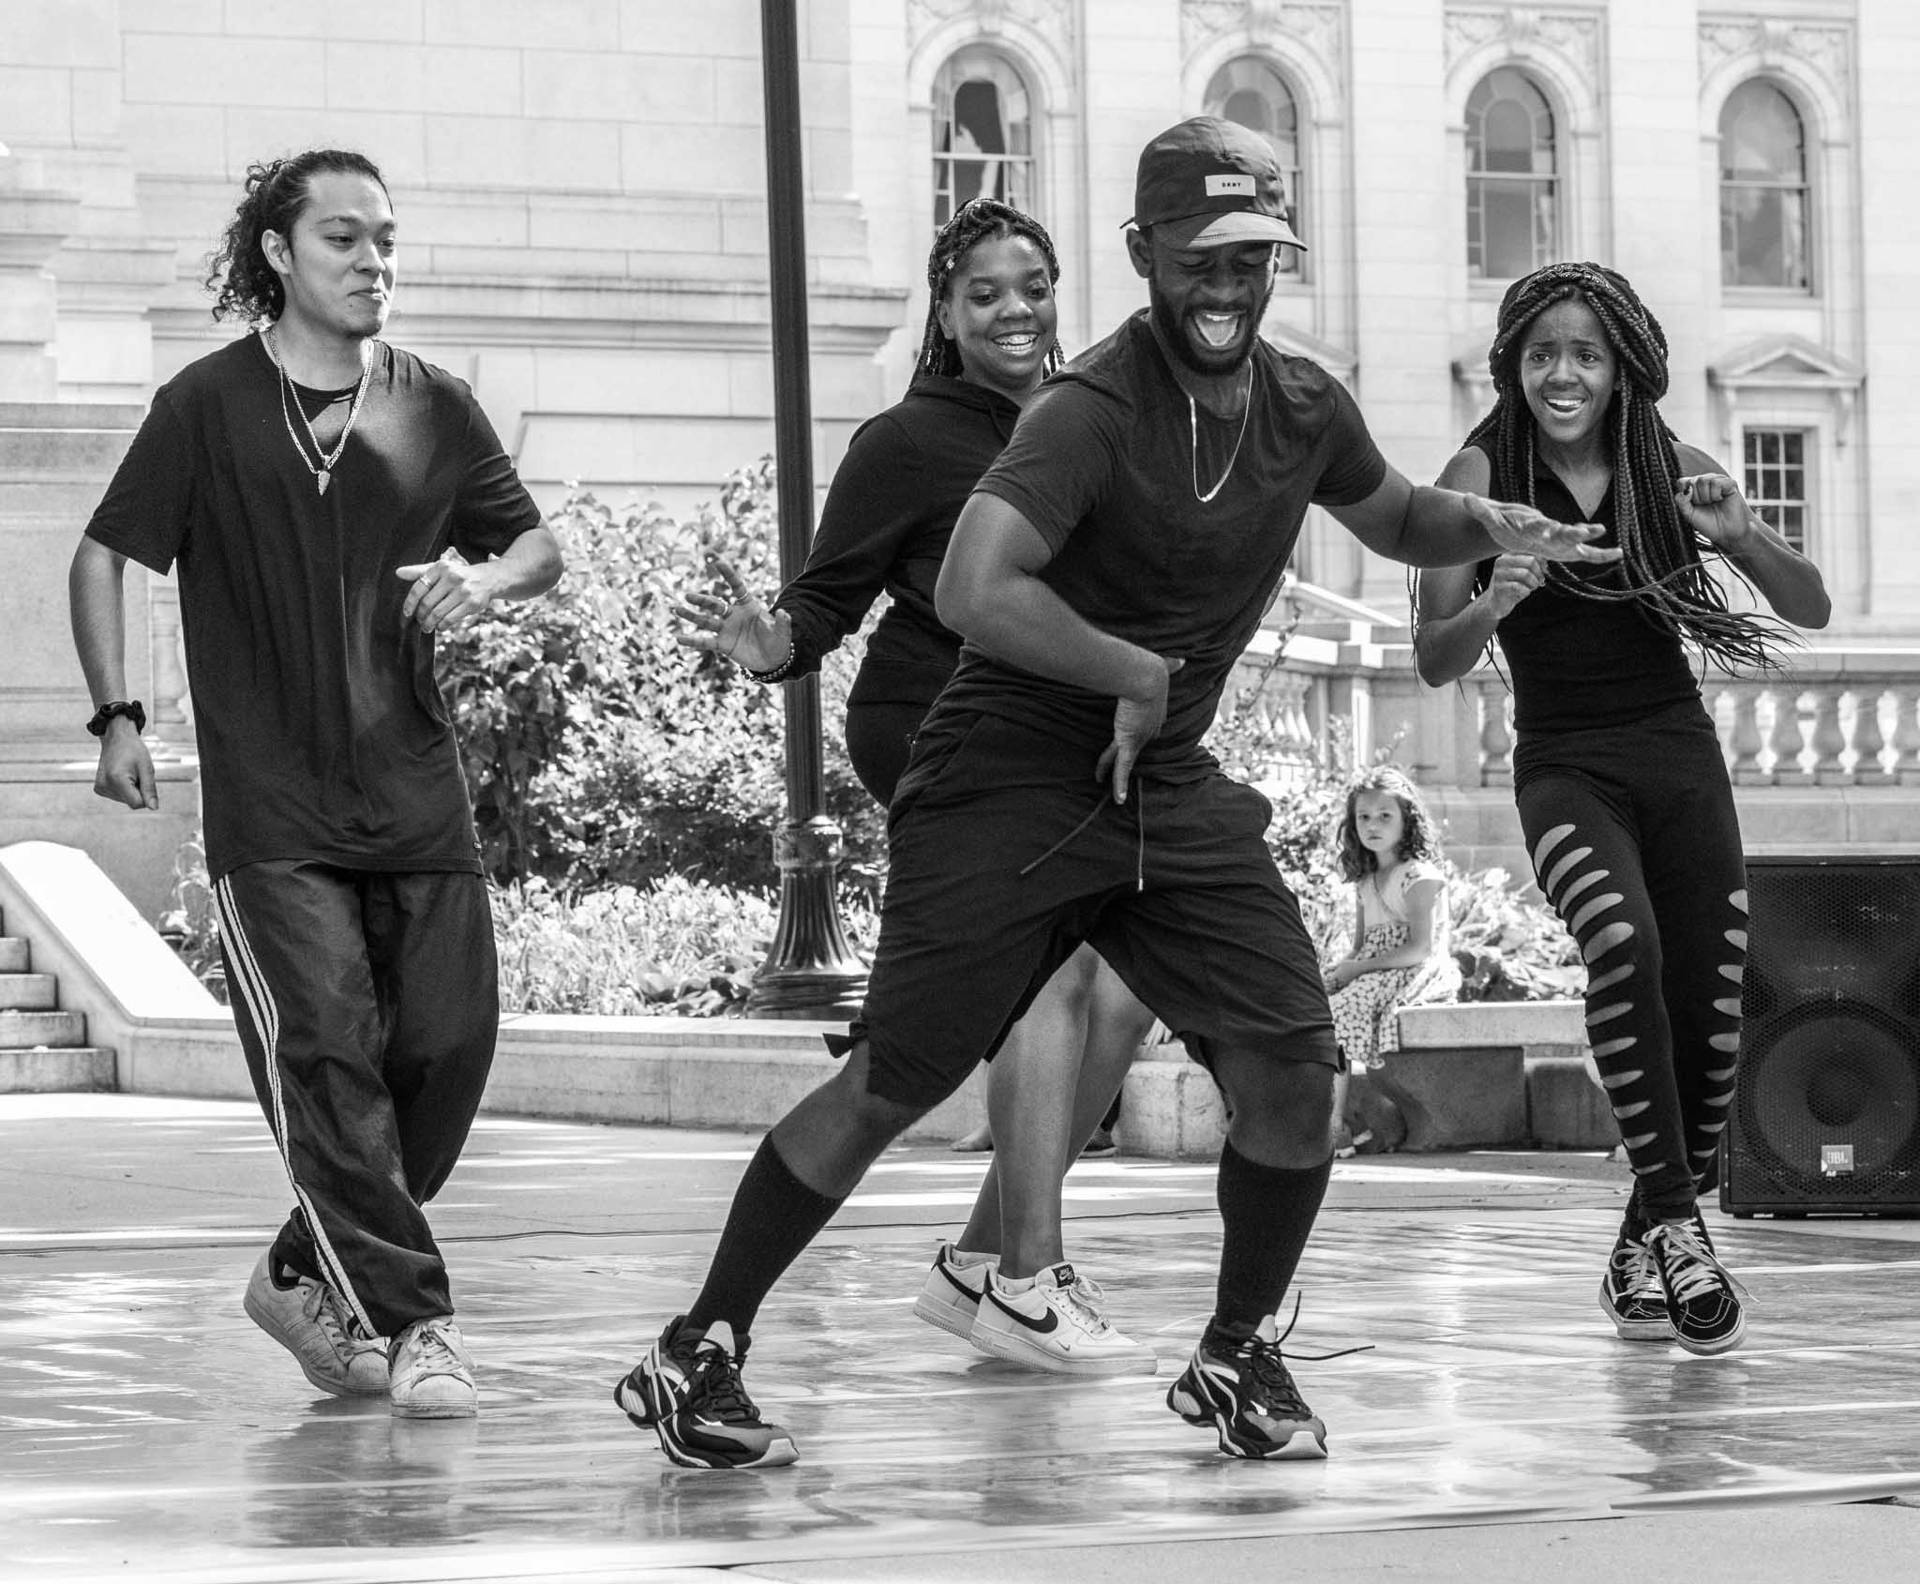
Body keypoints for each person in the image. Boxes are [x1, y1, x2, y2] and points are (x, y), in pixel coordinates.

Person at [615, 116, 1617, 1471]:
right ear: (1145, 254)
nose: (1226, 289)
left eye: (1252, 259)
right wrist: (1135, 671)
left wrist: (1489, 522)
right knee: (898, 1077)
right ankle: (699, 1347)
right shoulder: (1088, 409)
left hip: (1163, 785)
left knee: (1294, 1069)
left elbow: (1391, 514)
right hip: (1007, 774)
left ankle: (1237, 1354)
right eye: (1199, 260)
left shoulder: (1302, 404)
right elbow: (975, 586)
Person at [69, 149, 564, 1417]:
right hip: (273, 810)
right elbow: (103, 555)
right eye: (344, 239)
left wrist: (485, 580)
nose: (373, 261)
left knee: (447, 1049)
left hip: (415, 789)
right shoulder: (205, 405)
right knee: (331, 1055)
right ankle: (418, 1326)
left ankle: (302, 1269)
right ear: (280, 254)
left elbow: (535, 545)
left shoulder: (434, 404)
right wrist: (119, 718)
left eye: (386, 238)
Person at [670, 198, 1158, 1376]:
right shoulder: (906, 441)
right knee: (1046, 970)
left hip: (1065, 740)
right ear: (944, 311)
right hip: (936, 727)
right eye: (983, 292)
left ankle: (982, 1259)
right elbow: (824, 600)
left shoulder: (1086, 415)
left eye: (1032, 286)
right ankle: (1028, 1274)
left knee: (1129, 984)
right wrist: (770, 642)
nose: (1013, 310)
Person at [1414, 261, 1829, 1357]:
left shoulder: (1670, 467)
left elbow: (1812, 606)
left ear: (1623, 367)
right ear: (1513, 364)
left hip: (1679, 760)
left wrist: (1744, 535)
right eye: (1542, 354)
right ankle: (1683, 1229)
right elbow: (1432, 655)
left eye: (1586, 355)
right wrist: (1495, 596)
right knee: (1622, 943)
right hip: (1565, 768)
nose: (1563, 374)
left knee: (1712, 1007)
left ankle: (1639, 1237)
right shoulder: (1477, 477)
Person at [1323, 765, 1459, 1153]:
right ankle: (1331, 1115)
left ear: (1407, 820)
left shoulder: (1418, 876)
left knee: (1341, 1011)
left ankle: (1333, 1127)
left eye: (1385, 816)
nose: (1373, 825)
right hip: (1372, 968)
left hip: (1412, 969)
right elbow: (1360, 946)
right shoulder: (1365, 881)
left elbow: (1420, 948)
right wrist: (1338, 972)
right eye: (1364, 817)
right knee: (1312, 1001)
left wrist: (1359, 970)